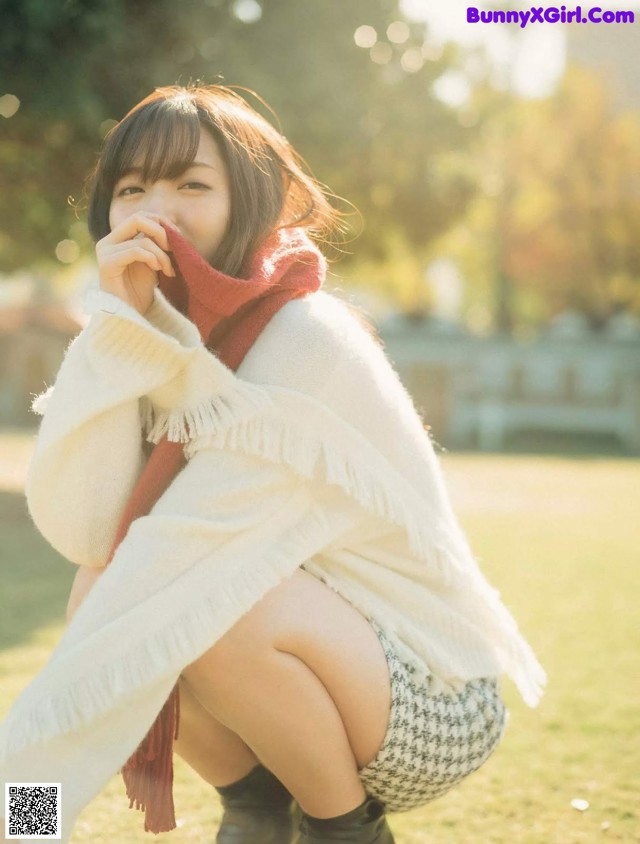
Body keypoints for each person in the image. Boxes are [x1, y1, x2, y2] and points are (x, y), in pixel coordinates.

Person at [0, 84, 545, 844]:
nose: (159, 210)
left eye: (192, 184)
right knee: (101, 588)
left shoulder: (302, 337)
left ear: (249, 200)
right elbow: (89, 536)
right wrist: (114, 331)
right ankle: (257, 808)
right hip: (301, 663)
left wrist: (21, 811)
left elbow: (177, 561)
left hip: (430, 694)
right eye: (132, 189)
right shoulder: (157, 339)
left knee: (210, 599)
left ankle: (344, 829)